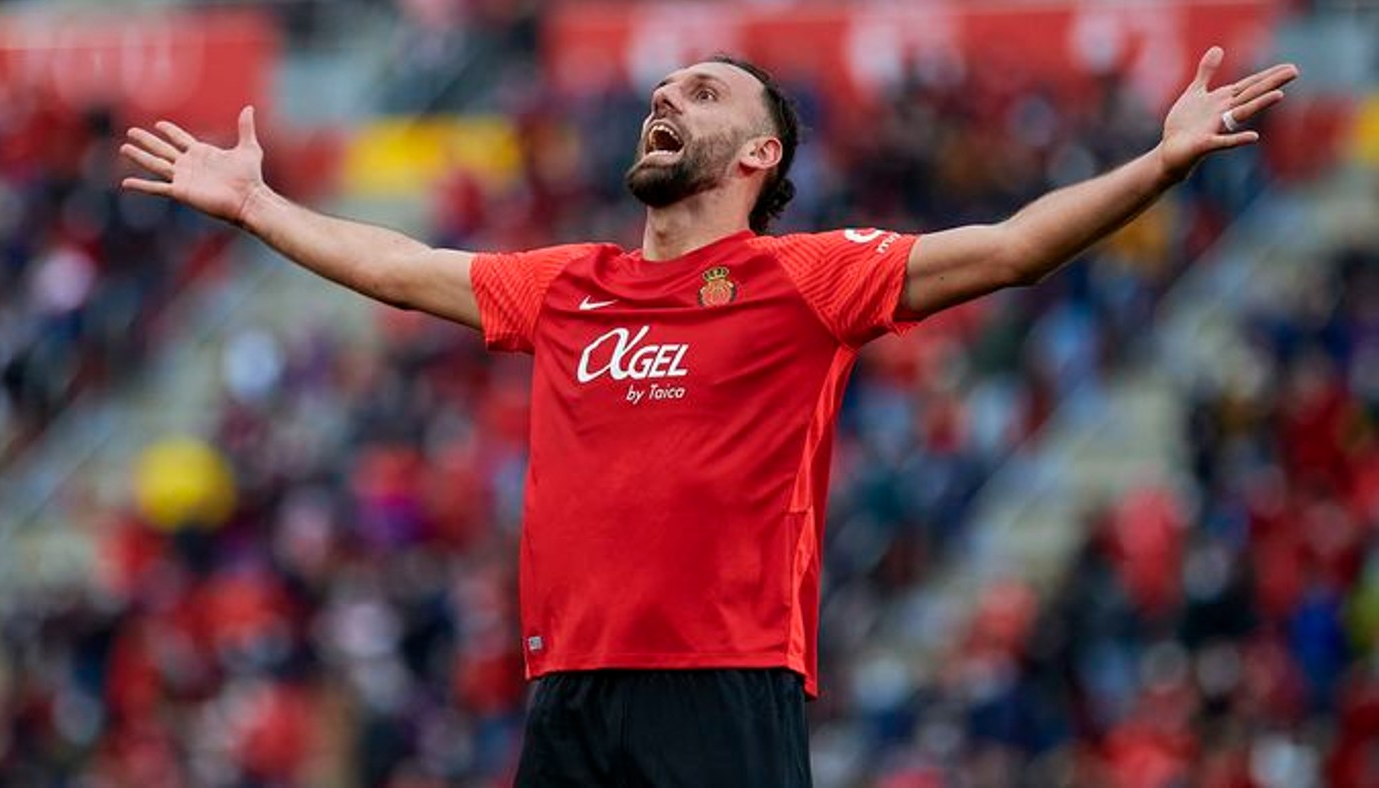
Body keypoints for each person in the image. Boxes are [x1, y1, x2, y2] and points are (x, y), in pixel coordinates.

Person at [121, 49, 1297, 787]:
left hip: (723, 682)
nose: (663, 97)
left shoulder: (805, 279)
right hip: (569, 687)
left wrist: (1157, 165)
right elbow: (398, 264)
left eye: (700, 91)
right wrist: (260, 206)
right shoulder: (569, 283)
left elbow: (1007, 248)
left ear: (758, 152)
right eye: (661, 89)